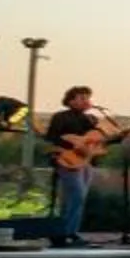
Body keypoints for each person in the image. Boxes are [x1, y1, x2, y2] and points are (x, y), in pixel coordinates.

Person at [42, 86, 101, 246]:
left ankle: (70, 232)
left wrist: (119, 138)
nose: (86, 101)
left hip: (86, 162)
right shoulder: (60, 117)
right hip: (67, 161)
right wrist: (73, 147)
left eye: (87, 98)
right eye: (82, 98)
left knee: (78, 199)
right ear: (71, 100)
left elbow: (95, 141)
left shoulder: (89, 120)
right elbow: (52, 138)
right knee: (77, 195)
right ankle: (65, 232)